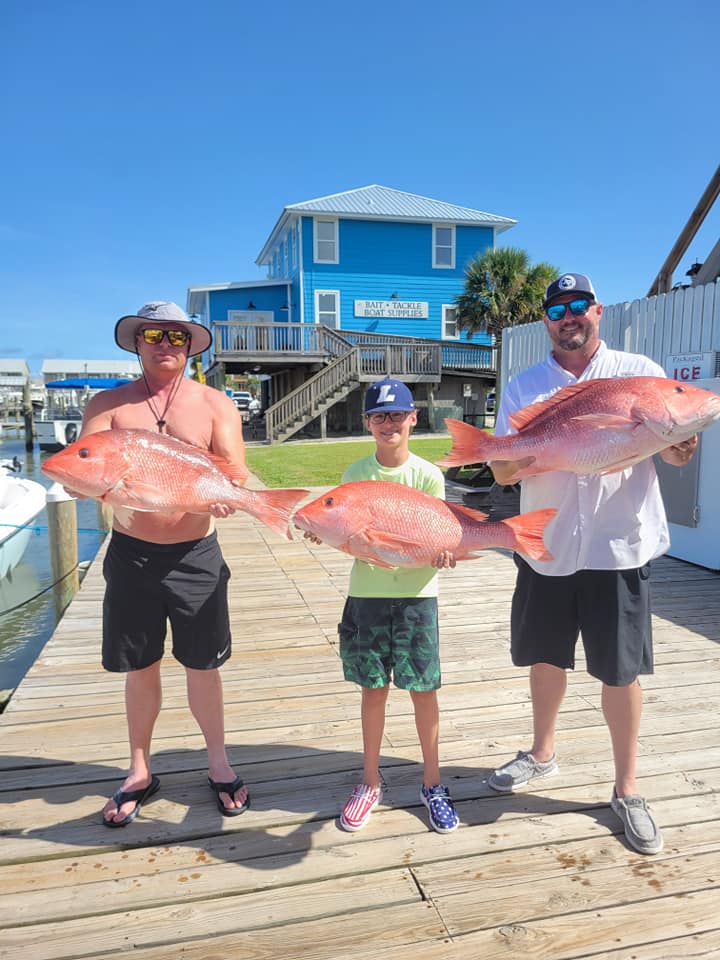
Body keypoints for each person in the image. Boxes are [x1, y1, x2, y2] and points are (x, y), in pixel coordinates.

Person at [487, 273, 697, 855]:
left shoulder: (638, 370)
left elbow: (675, 450)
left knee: (620, 670)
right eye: (557, 309)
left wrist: (680, 443)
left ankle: (627, 788)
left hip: (618, 545)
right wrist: (524, 456)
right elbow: (502, 471)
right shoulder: (526, 386)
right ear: (547, 320)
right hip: (546, 542)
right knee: (545, 656)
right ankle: (542, 753)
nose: (569, 315)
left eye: (579, 305)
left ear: (597, 310)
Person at [74, 301, 251, 826]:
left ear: (191, 343)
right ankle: (138, 770)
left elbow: (235, 472)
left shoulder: (217, 404)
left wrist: (226, 492)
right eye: (153, 333)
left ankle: (218, 762)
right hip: (131, 557)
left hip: (196, 555)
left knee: (204, 666)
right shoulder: (107, 406)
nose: (165, 343)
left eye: (176, 335)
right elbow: (81, 471)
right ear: (137, 341)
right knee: (140, 666)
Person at [310, 378, 460, 834]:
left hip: (418, 598)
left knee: (423, 691)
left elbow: (438, 532)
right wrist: (328, 531)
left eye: (397, 414)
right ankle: (369, 782)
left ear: (414, 418)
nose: (388, 423)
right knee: (371, 690)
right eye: (379, 416)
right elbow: (352, 538)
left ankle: (432, 783)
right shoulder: (356, 474)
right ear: (367, 423)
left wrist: (445, 550)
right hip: (368, 597)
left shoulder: (428, 475)